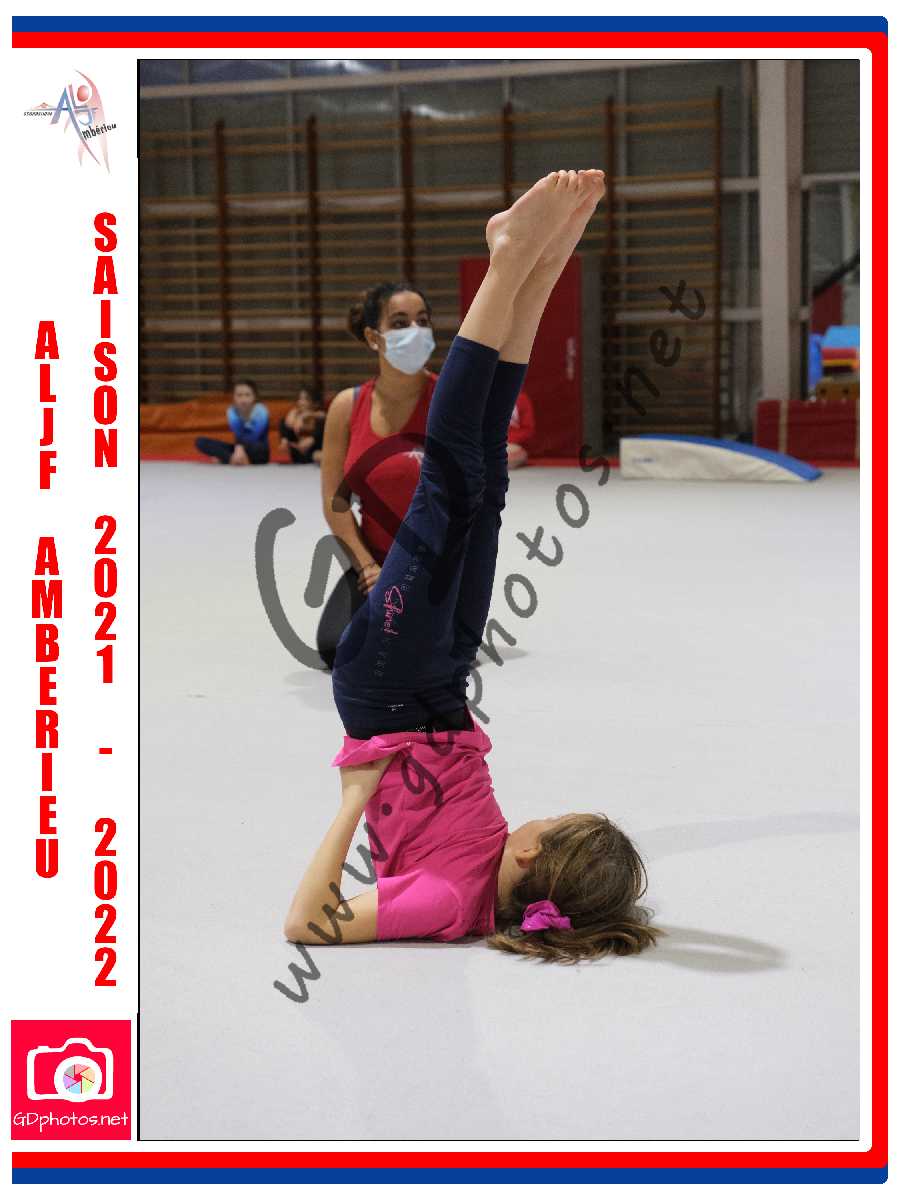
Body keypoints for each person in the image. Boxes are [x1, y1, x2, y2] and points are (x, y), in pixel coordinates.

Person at [283, 169, 660, 963]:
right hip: (441, 690)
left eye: (550, 823)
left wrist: (354, 798)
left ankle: (512, 258)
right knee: (484, 488)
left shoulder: (451, 901)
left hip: (386, 689)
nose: (539, 817)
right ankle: (538, 268)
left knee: (451, 474)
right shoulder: (494, 866)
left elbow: (308, 924)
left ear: (533, 853)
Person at [315, 281, 438, 669]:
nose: (414, 331)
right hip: (376, 562)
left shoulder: (449, 398)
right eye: (400, 323)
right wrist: (367, 567)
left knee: (420, 651)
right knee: (336, 648)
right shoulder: (347, 406)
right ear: (373, 337)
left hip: (437, 561)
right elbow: (335, 501)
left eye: (422, 321)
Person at [195, 379, 270, 465]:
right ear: (234, 397)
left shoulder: (261, 411)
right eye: (239, 395)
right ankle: (233, 459)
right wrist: (237, 449)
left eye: (247, 395)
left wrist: (239, 447)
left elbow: (254, 436)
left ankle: (229, 459)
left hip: (257, 449)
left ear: (255, 397)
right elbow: (239, 434)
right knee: (200, 442)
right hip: (239, 449)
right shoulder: (232, 411)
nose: (243, 399)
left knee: (258, 448)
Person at [279, 385, 325, 464]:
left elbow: (324, 416)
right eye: (300, 399)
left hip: (314, 452)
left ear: (314, 403)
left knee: (323, 424)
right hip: (298, 453)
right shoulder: (294, 414)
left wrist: (313, 438)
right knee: (283, 422)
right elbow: (287, 426)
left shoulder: (319, 416)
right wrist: (285, 440)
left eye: (305, 399)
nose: (301, 402)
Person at [507, 388, 535, 469]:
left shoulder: (521, 399)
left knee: (518, 455)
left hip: (512, 445)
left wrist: (506, 441)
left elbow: (528, 430)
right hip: (489, 445)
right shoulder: (486, 397)